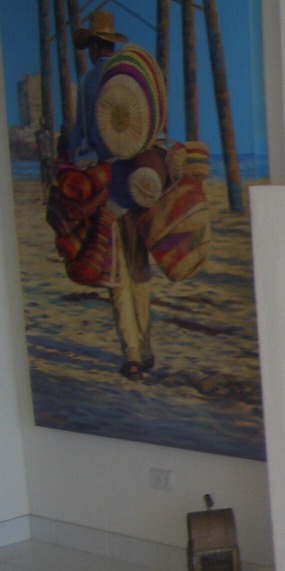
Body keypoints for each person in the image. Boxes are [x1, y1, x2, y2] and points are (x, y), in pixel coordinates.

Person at [69, 11, 156, 381]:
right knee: (139, 273)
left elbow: (79, 144)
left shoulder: (89, 81)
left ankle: (132, 355)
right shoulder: (129, 77)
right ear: (112, 44)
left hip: (106, 194)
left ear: (91, 47)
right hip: (137, 188)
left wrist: (84, 161)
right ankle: (148, 350)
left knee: (116, 278)